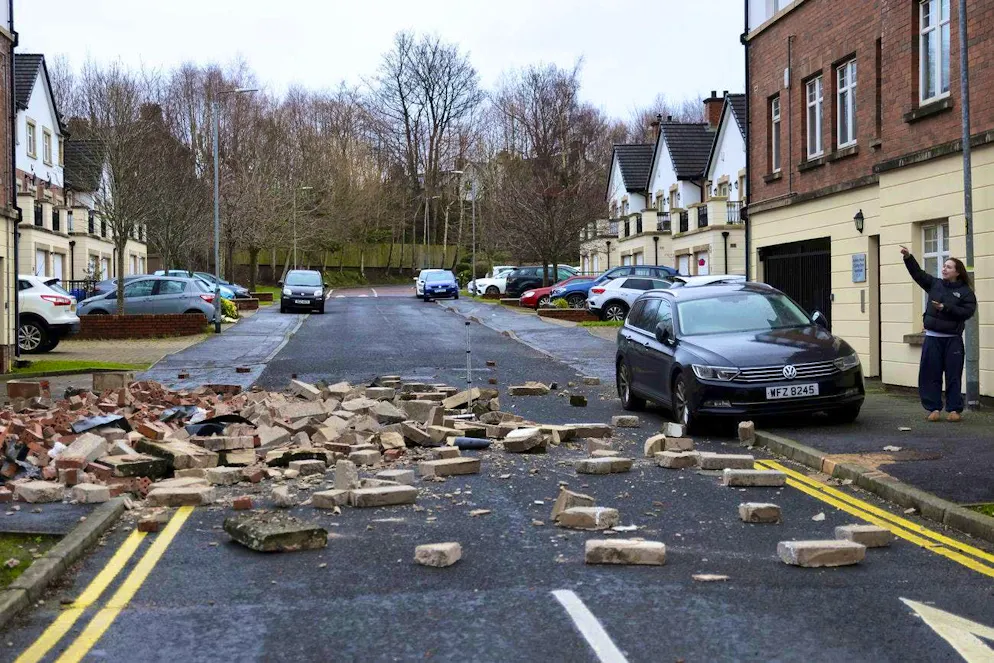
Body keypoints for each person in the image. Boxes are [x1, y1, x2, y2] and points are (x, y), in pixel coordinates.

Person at [901, 246, 977, 421]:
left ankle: (954, 410)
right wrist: (908, 257)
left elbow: (967, 312)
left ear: (957, 272)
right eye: (944, 266)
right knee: (930, 374)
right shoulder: (935, 284)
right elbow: (918, 274)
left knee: (953, 376)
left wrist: (945, 307)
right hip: (932, 339)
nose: (944, 269)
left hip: (953, 340)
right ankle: (933, 408)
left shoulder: (966, 292)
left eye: (948, 267)